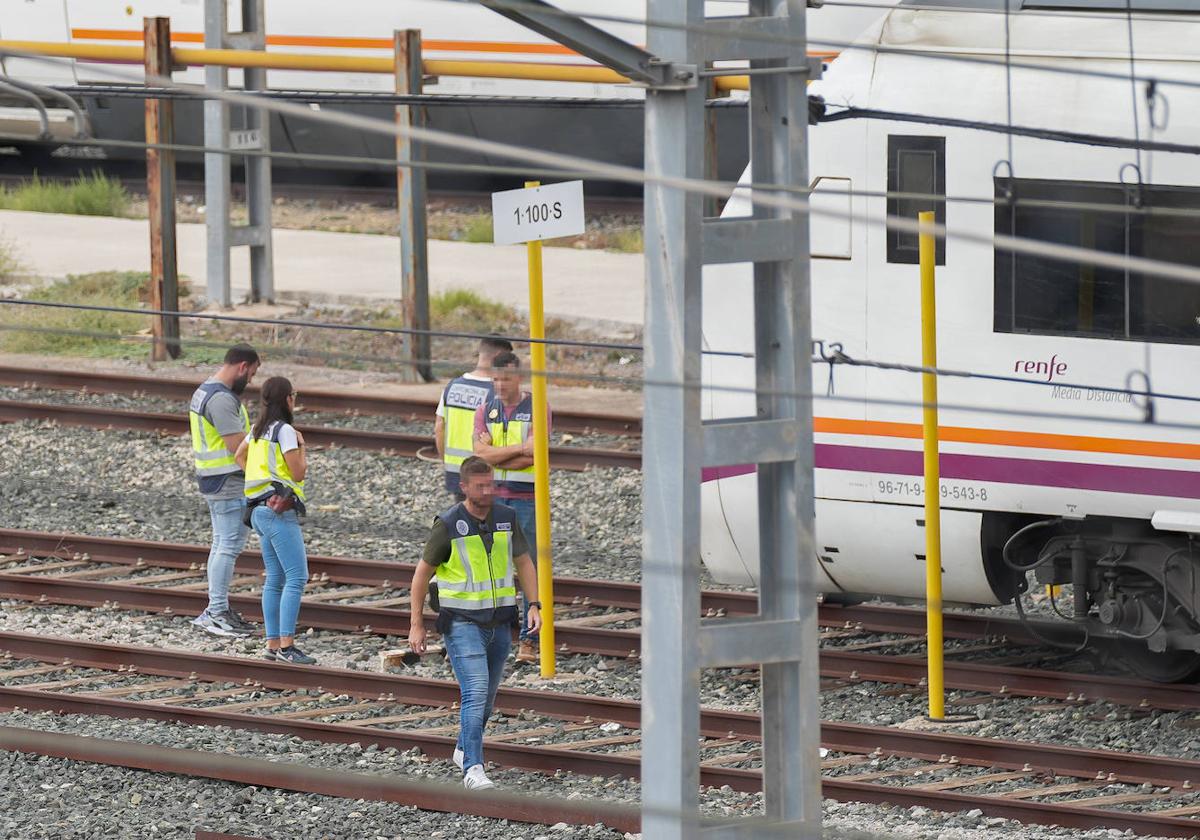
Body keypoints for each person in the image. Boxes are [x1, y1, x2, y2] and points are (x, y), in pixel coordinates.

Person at [408, 456, 542, 791]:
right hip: (461, 623)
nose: (488, 490)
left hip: (500, 623)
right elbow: (421, 576)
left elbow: (524, 563)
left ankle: (464, 749)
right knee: (476, 690)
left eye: (491, 483)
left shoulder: (506, 519)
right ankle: (473, 769)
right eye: (481, 485)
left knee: (487, 700)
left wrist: (534, 605)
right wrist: (416, 623)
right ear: (464, 487)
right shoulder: (449, 524)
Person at [472, 351, 551, 663]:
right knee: (491, 567)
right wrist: (518, 448)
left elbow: (536, 456)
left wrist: (495, 451)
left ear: (518, 378)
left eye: (505, 378)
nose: (499, 385)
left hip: (526, 500)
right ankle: (492, 635)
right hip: (493, 500)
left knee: (527, 568)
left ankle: (529, 641)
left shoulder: (536, 407)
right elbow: (479, 456)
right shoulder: (485, 409)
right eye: (495, 379)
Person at [235, 377, 316, 666]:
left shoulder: (257, 430)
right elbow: (297, 474)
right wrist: (303, 447)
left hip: (257, 511)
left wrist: (259, 484)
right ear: (288, 400)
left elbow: (238, 455)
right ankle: (287, 646)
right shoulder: (286, 432)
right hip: (279, 512)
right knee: (296, 577)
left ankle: (272, 644)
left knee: (275, 577)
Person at [188, 343, 260, 637]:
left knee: (222, 545)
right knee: (227, 547)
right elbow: (238, 449)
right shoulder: (220, 400)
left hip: (215, 480)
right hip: (227, 482)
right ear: (242, 366)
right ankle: (216, 612)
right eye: (252, 373)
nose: (251, 380)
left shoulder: (205, 391)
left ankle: (216, 609)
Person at [434, 336, 514, 501]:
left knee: (463, 521)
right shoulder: (497, 393)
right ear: (497, 356)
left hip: (456, 472)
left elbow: (439, 427)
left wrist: (446, 462)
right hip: (484, 474)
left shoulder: (452, 386)